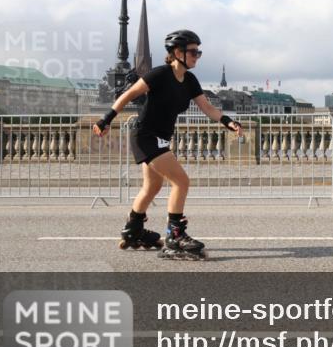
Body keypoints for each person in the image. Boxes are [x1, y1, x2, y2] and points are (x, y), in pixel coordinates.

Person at [93, 29, 243, 260]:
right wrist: (106, 119)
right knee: (181, 181)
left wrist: (228, 121)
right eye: (193, 52)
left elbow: (208, 108)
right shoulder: (159, 74)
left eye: (198, 52)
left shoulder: (190, 80)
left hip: (161, 138)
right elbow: (128, 94)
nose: (197, 56)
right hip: (145, 135)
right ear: (177, 52)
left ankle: (134, 230)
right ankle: (175, 235)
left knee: (152, 187)